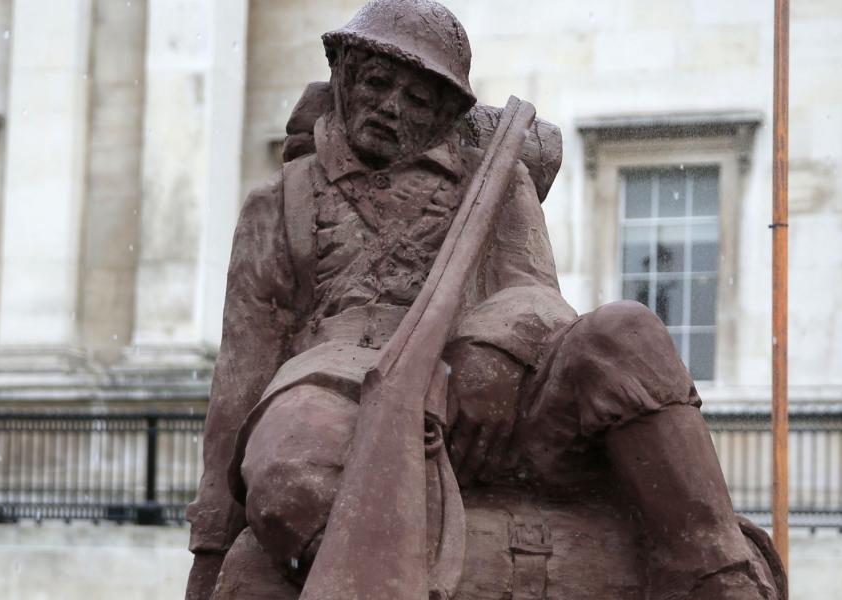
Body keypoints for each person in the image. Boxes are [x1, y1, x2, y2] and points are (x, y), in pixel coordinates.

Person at [185, 1, 780, 598]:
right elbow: (242, 373)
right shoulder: (278, 202)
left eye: (418, 100)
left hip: (486, 404)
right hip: (335, 397)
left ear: (446, 112)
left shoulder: (495, 178)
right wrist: (212, 543)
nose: (391, 108)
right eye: (377, 84)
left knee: (625, 331)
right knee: (289, 481)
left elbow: (535, 292)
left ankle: (717, 573)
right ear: (342, 75)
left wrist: (493, 351)